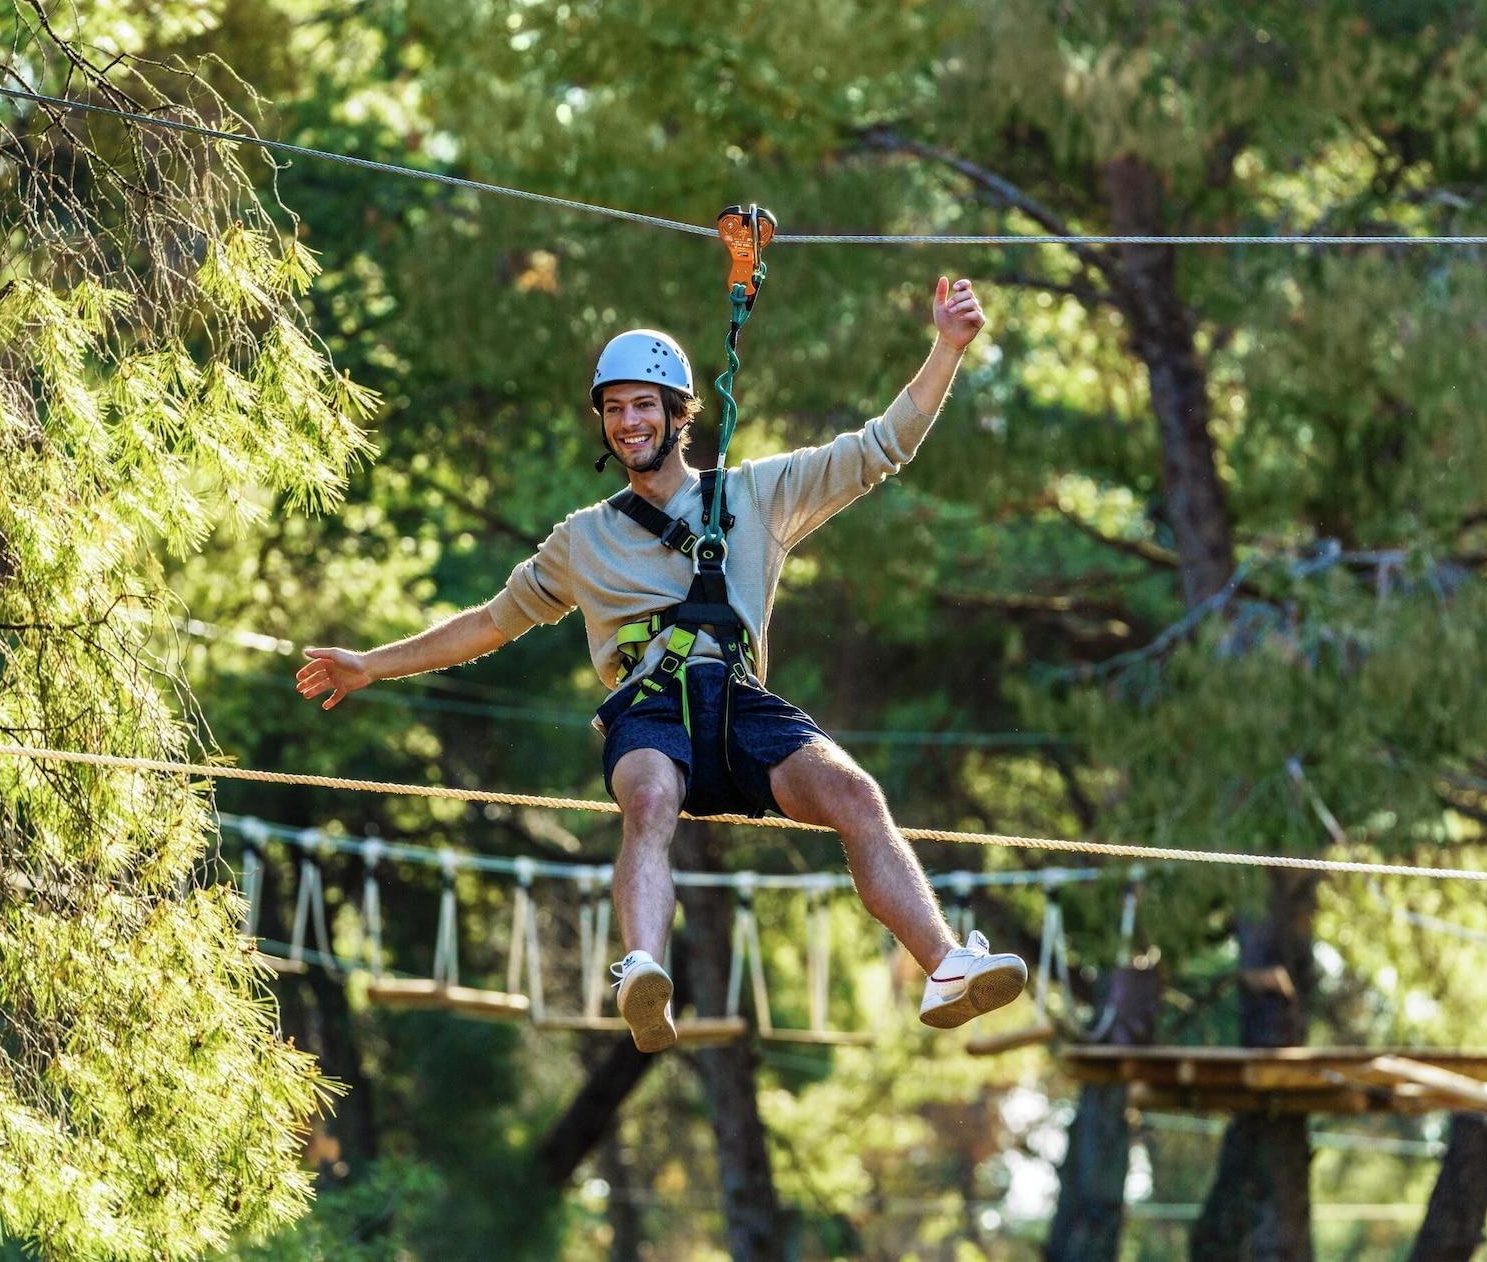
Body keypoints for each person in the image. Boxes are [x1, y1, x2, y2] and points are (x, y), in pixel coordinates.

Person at [296, 276, 1025, 1053]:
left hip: (740, 701)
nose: (627, 423)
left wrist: (946, 348)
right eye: (613, 409)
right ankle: (643, 970)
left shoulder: (758, 495)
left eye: (644, 405)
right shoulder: (582, 539)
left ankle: (945, 964)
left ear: (680, 413)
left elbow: (882, 446)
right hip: (648, 700)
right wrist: (371, 665)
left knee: (853, 791)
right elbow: (489, 623)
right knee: (649, 799)